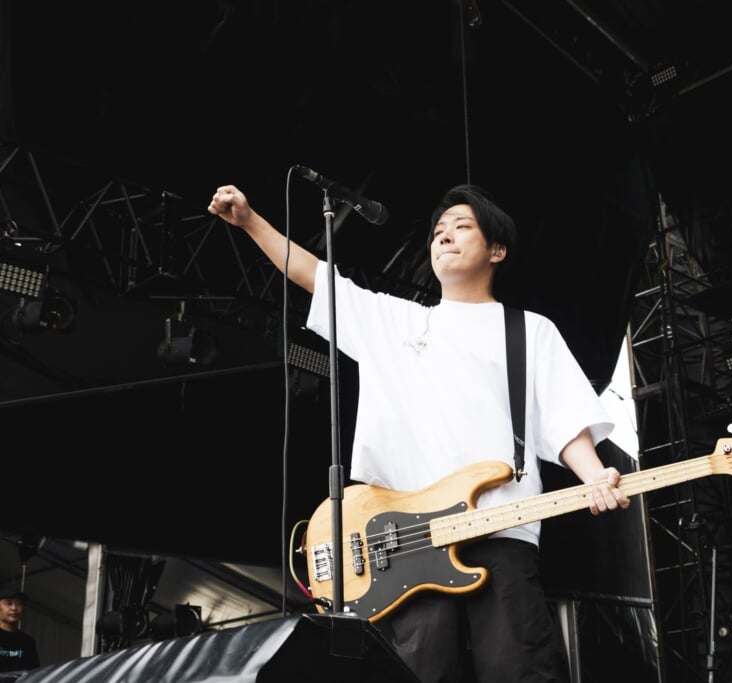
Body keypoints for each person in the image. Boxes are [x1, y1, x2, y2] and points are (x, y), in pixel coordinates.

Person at [208, 181, 630, 682]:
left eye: (462, 226)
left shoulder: (529, 330)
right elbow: (314, 275)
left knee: (520, 670)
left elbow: (566, 419)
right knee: (420, 673)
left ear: (497, 250)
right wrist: (250, 221)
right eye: (438, 231)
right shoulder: (397, 322)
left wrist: (594, 477)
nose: (444, 235)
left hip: (502, 529)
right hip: (405, 542)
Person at [0, 578, 39, 674]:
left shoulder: (28, 642)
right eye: (8, 603)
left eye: (19, 604)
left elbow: (34, 674)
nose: (14, 608)